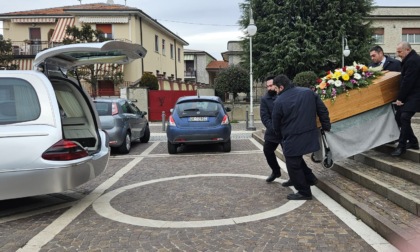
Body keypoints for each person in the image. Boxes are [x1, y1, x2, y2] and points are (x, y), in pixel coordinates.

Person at [271, 75, 331, 200]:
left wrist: (279, 136)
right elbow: (322, 110)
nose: (275, 91)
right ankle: (310, 178)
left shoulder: (279, 101)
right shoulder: (308, 92)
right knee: (296, 160)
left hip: (292, 137)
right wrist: (326, 126)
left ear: (281, 87)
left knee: (293, 165)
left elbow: (275, 123)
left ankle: (304, 192)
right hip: (310, 134)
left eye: (276, 88)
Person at [391, 41, 420, 156]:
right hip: (411, 95)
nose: (398, 54)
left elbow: (408, 81)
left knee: (404, 117)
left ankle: (401, 146)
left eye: (399, 52)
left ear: (407, 50)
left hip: (415, 95)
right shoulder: (410, 59)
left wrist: (400, 98)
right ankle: (413, 141)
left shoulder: (413, 60)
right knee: (399, 117)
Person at [260, 76, 282, 182]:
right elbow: (264, 117)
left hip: (285, 131)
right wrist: (273, 128)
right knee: (267, 151)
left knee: (291, 154)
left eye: (271, 85)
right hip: (272, 131)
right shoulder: (265, 99)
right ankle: (276, 171)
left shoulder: (283, 95)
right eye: (267, 86)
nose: (269, 88)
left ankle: (300, 176)